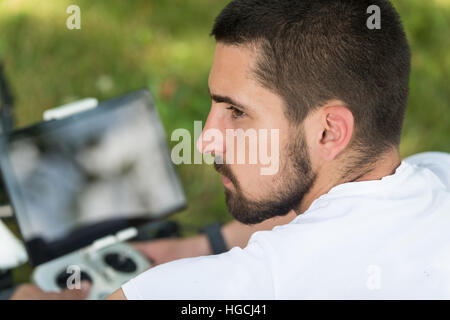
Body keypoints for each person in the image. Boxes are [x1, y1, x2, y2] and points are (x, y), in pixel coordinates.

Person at [109, 0, 450, 299]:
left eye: (237, 112)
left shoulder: (270, 280)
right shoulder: (437, 170)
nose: (206, 140)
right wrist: (203, 245)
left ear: (329, 132)